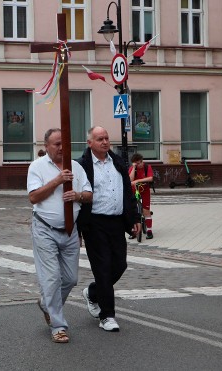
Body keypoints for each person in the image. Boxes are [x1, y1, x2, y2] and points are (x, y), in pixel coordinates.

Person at [27, 128, 93, 343]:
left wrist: (78, 195)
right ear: (46, 146)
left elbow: (89, 195)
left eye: (64, 143)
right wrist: (57, 181)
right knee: (52, 278)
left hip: (70, 230)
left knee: (71, 279)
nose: (61, 148)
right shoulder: (37, 167)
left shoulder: (77, 167)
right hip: (45, 228)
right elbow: (34, 197)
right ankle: (58, 326)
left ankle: (47, 304)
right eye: (56, 144)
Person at [77, 126, 139, 332]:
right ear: (90, 143)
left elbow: (127, 193)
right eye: (99, 139)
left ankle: (93, 293)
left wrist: (134, 219)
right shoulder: (83, 165)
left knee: (119, 265)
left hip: (116, 223)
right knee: (103, 268)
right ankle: (107, 316)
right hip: (94, 223)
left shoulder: (118, 162)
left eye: (106, 138)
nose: (104, 142)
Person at [129, 153, 154, 239]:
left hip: (145, 191)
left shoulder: (147, 167)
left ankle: (149, 230)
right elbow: (130, 179)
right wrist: (134, 168)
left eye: (139, 163)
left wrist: (138, 181)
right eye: (136, 163)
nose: (139, 165)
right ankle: (134, 230)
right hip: (134, 191)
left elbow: (150, 178)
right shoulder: (133, 168)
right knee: (133, 210)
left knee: (146, 210)